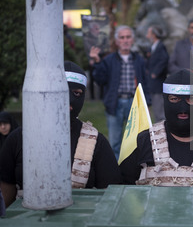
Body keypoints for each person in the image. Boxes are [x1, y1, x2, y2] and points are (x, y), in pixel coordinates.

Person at [0, 61, 122, 208]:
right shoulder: (18, 139)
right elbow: (6, 191)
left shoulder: (96, 142)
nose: (68, 103)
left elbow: (112, 196)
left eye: (76, 93)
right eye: (61, 92)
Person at [90, 25, 151, 160]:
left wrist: (147, 101)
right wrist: (97, 62)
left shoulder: (139, 60)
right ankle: (116, 171)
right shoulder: (109, 60)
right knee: (115, 141)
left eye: (128, 37)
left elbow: (145, 82)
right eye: (122, 37)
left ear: (132, 40)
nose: (125, 40)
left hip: (134, 103)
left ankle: (134, 170)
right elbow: (100, 80)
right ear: (117, 41)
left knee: (137, 140)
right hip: (115, 103)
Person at [145, 25, 169, 122]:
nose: (147, 36)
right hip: (152, 84)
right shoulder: (152, 47)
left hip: (158, 84)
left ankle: (162, 131)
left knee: (159, 111)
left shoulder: (160, 46)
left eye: (148, 33)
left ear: (153, 35)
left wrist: (155, 73)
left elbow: (164, 59)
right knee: (155, 109)